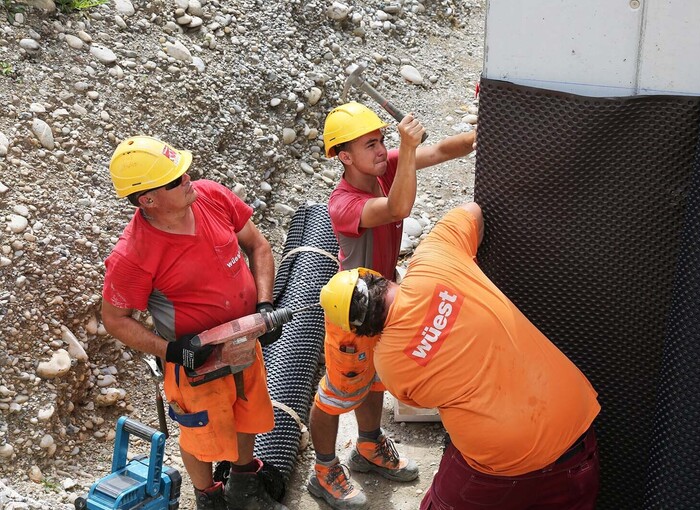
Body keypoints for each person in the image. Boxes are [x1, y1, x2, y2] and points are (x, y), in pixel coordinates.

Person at [319, 202, 601, 510]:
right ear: (379, 277)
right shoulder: (433, 258)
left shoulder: (390, 365)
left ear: (362, 331)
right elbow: (473, 211)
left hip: (504, 462)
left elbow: (425, 399)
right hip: (576, 427)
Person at [101, 136, 287, 510]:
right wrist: (173, 351)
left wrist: (265, 305)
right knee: (200, 434)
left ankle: (244, 484)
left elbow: (259, 246)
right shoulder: (133, 255)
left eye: (184, 171)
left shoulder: (211, 197)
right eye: (175, 180)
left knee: (247, 413)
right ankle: (209, 496)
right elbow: (115, 320)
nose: (188, 179)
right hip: (196, 363)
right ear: (147, 200)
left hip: (244, 342)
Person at [308, 101, 476, 509]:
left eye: (382, 140)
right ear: (345, 157)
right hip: (353, 312)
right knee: (337, 393)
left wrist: (489, 132)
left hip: (383, 299)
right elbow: (398, 208)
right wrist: (407, 147)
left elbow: (444, 151)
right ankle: (324, 470)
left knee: (374, 379)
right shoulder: (343, 203)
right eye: (370, 144)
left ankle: (368, 445)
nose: (382, 150)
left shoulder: (384, 169)